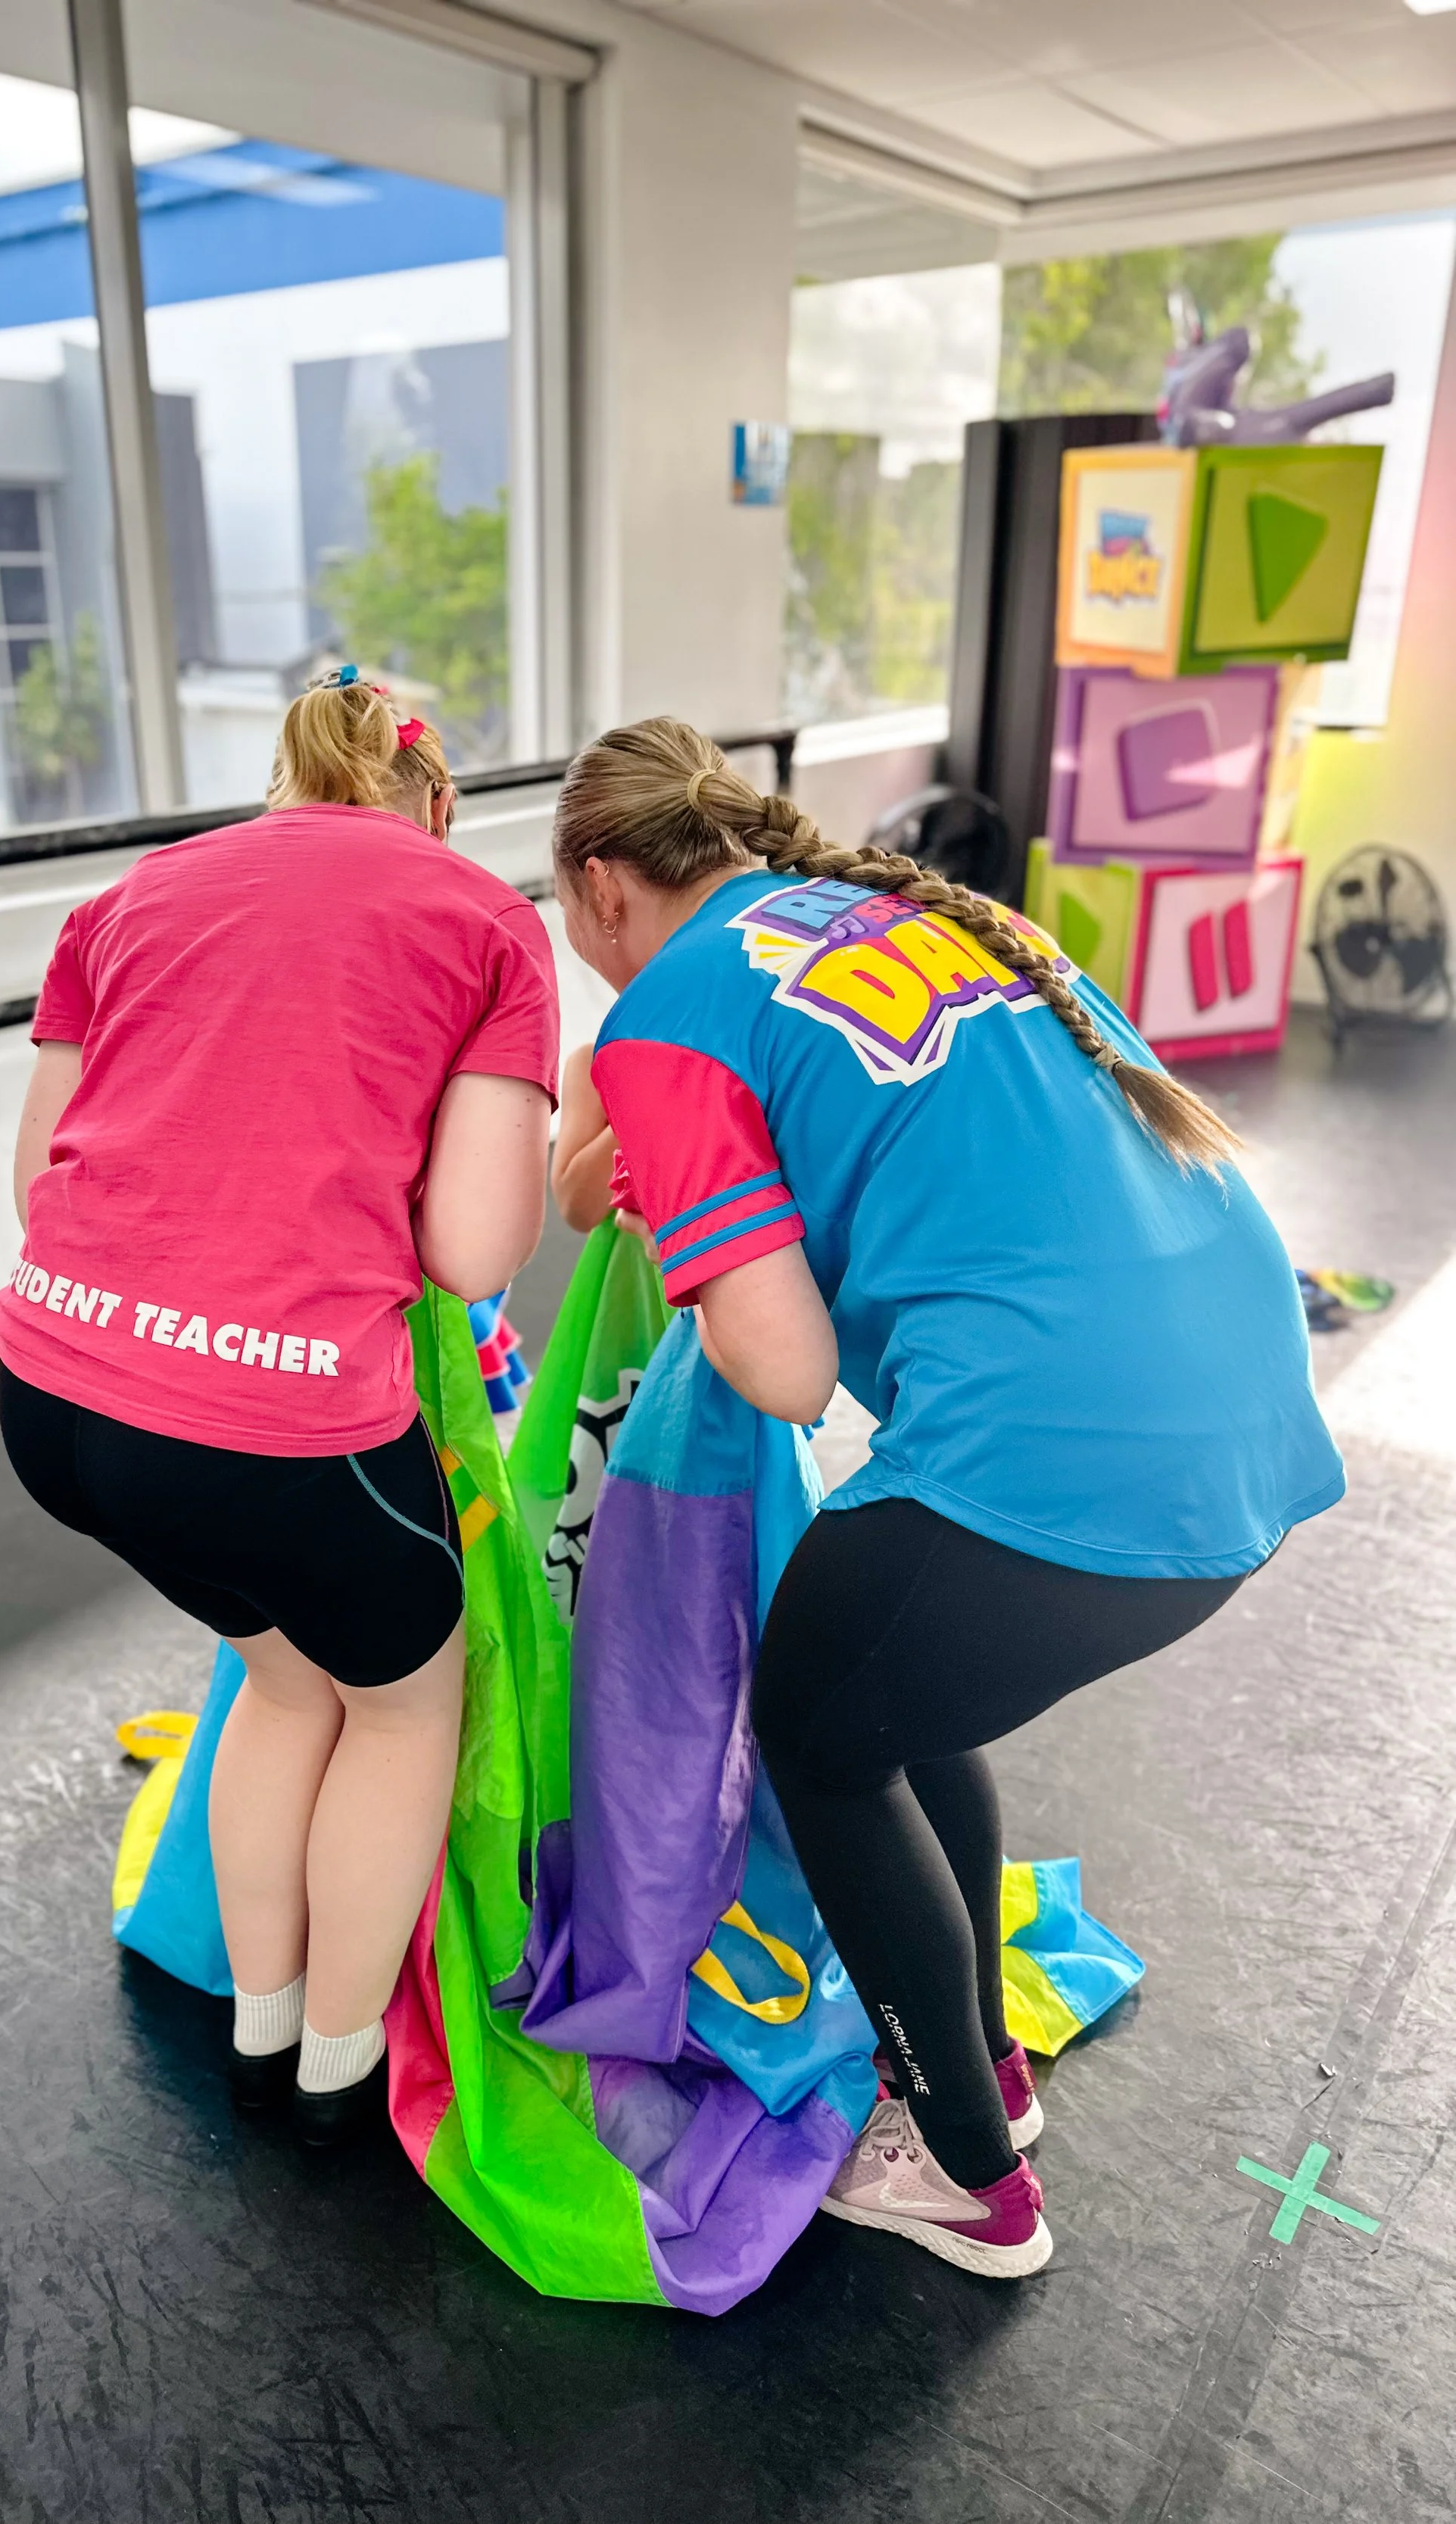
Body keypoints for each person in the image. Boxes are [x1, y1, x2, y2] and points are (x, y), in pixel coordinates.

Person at [550, 715, 1342, 2277]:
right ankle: (975, 2063)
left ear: (597, 887)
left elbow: (778, 1372)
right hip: (1240, 1410)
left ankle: (967, 2178)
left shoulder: (668, 1016)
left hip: (1068, 1453)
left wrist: (713, 1250)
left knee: (815, 1720)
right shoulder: (926, 913)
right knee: (893, 1687)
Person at [0, 670, 558, 2143]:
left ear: (285, 774)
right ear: (436, 806)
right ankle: (336, 2062)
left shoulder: (127, 898)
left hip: (51, 1398)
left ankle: (252, 2021)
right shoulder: (483, 917)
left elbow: (38, 1182)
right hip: (277, 1429)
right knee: (397, 1707)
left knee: (283, 1678)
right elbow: (472, 1250)